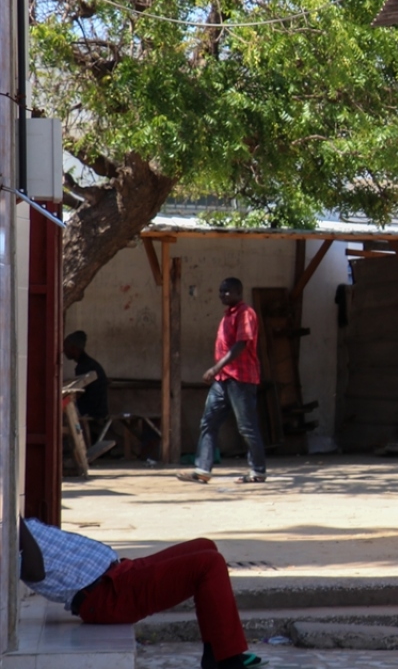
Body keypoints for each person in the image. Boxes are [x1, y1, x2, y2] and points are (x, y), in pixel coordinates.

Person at [18, 517, 263, 669]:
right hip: (107, 595)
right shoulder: (7, 534)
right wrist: (13, 521)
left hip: (120, 571)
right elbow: (34, 572)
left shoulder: (13, 521)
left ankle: (215, 653)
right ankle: (228, 661)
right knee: (209, 564)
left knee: (205, 546)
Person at [177, 278, 267, 484]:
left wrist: (216, 367)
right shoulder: (228, 315)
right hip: (223, 379)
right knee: (208, 422)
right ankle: (203, 470)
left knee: (246, 427)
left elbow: (241, 344)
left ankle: (258, 471)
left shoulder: (245, 313)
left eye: (227, 291)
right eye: (220, 291)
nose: (222, 295)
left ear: (238, 292)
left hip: (241, 378)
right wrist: (219, 371)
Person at [62, 331, 114, 461]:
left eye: (65, 347)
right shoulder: (89, 364)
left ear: (74, 349)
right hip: (96, 407)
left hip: (93, 410)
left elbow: (79, 394)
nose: (63, 351)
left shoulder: (85, 367)